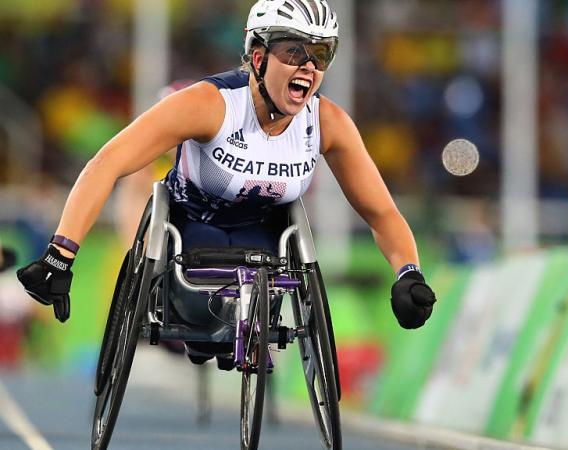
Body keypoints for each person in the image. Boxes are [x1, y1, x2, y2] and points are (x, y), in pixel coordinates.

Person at [16, 0, 436, 341]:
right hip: (194, 229)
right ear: (258, 56)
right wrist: (60, 255)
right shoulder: (209, 104)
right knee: (202, 313)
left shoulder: (328, 123)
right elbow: (107, 163)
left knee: (262, 283)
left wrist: (409, 273)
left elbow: (381, 212)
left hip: (267, 241)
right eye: (295, 52)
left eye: (320, 54)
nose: (309, 66)